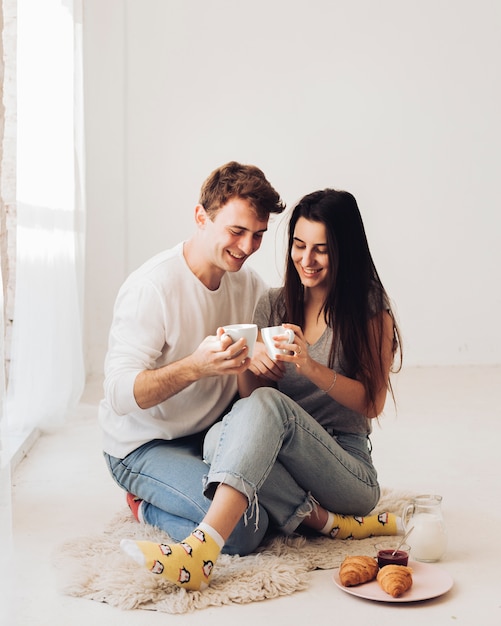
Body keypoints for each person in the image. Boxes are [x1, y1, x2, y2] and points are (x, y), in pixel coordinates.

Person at [121, 188, 404, 590]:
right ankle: (324, 522)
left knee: (253, 418)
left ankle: (203, 547)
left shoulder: (370, 311)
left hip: (344, 465)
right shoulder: (272, 305)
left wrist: (310, 366)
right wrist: (247, 364)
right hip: (283, 464)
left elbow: (371, 404)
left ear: (345, 251)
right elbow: (251, 399)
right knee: (217, 439)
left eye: (321, 249)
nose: (306, 260)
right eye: (299, 245)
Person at [99, 161, 286, 556]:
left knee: (288, 504)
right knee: (246, 529)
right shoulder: (152, 288)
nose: (248, 247)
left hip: (208, 436)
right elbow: (118, 394)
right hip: (142, 446)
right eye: (237, 231)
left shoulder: (248, 283)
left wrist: (262, 356)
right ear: (201, 217)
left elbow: (256, 370)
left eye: (258, 235)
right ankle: (144, 505)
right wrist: (195, 367)